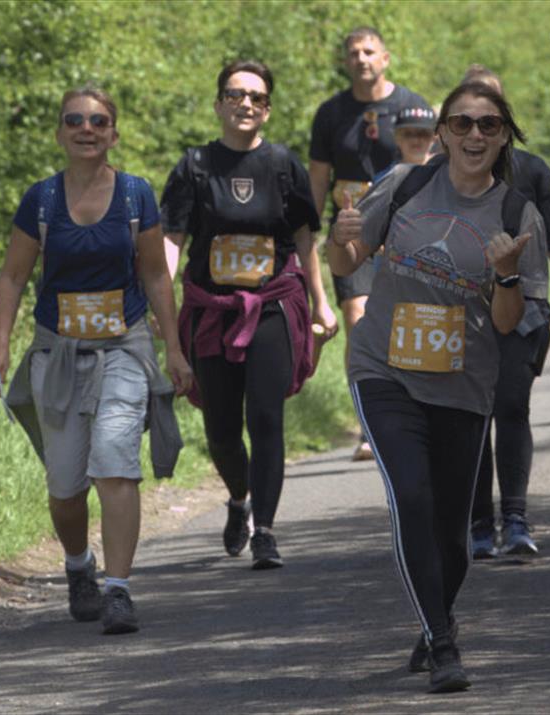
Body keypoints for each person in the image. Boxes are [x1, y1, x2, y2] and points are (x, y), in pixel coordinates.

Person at [328, 82, 542, 693]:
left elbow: (508, 323)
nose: (475, 134)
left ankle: (435, 619)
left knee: (454, 535)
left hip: (463, 384)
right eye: (462, 123)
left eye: (489, 125)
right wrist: (338, 237)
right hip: (384, 370)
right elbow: (346, 262)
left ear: (504, 137)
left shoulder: (516, 215)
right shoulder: (404, 185)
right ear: (443, 132)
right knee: (412, 499)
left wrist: (506, 276)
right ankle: (443, 644)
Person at [0, 86, 192, 635]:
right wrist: (1, 346)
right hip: (58, 352)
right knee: (65, 487)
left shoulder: (135, 196)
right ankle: (79, 566)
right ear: (60, 133)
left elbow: (156, 275)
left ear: (113, 135)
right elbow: (13, 276)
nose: (86, 129)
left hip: (124, 346)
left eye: (98, 121)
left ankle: (118, 590)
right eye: (74, 120)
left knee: (115, 460)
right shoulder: (41, 201)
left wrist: (173, 348)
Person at [160, 60, 330, 569]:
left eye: (257, 97)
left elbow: (304, 239)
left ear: (268, 110)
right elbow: (172, 241)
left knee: (266, 417)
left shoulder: (283, 165)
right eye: (235, 94)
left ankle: (267, 532)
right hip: (212, 312)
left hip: (272, 304)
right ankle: (239, 499)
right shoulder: (194, 166)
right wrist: (160, 303)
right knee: (221, 430)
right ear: (219, 105)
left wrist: (321, 301)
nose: (246, 104)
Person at [458, 65, 550, 560]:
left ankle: (515, 520)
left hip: (525, 307)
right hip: (459, 311)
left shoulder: (533, 172)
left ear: (504, 115)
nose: (478, 125)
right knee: (471, 415)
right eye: (468, 112)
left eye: (490, 111)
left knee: (511, 406)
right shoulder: (441, 172)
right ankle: (478, 526)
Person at [308, 26, 433, 461]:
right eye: (353, 53)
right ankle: (370, 424)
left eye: (369, 51)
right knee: (358, 319)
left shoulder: (412, 105)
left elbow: (433, 164)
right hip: (353, 231)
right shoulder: (330, 113)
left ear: (385, 58)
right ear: (346, 62)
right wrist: (310, 230)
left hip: (405, 231)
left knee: (406, 320)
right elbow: (318, 177)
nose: (361, 59)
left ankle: (415, 409)